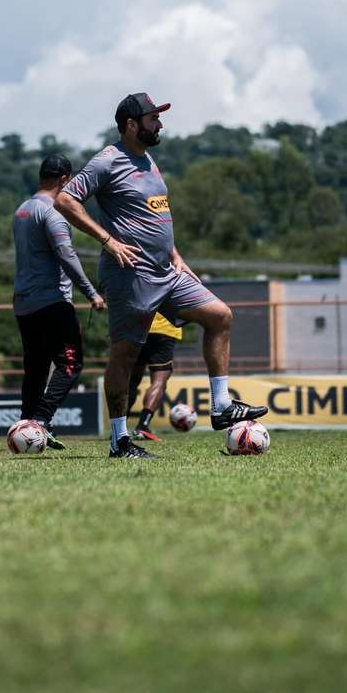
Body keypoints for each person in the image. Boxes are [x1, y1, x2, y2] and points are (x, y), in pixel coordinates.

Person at [55, 93, 267, 459]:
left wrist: (176, 255)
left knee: (220, 317)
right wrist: (107, 240)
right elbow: (65, 200)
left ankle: (221, 408)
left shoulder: (149, 160)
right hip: (130, 274)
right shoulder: (107, 160)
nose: (160, 124)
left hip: (168, 272)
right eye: (153, 118)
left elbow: (156, 213)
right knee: (125, 355)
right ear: (130, 125)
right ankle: (120, 441)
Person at [13, 153, 105, 449]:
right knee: (70, 364)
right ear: (65, 180)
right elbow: (67, 256)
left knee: (36, 368)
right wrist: (91, 293)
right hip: (51, 302)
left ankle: (24, 430)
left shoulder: (22, 210)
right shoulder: (53, 212)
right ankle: (41, 420)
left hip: (24, 303)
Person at [127, 312, 182, 441]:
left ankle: (119, 428)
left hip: (136, 327)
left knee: (131, 380)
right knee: (159, 381)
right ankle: (143, 425)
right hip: (164, 329)